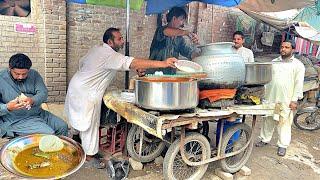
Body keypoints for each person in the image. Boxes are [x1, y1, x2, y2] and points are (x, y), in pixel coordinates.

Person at [65, 27, 177, 168]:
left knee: (78, 118)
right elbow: (130, 62)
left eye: (122, 38)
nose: (122, 41)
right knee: (90, 125)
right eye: (119, 39)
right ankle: (89, 157)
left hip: (76, 86)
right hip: (87, 92)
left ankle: (74, 139)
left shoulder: (97, 48)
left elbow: (82, 62)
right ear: (110, 42)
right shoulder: (108, 54)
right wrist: (164, 63)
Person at [255, 41, 305, 156]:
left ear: (293, 49)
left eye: (287, 47)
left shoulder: (298, 65)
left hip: (286, 99)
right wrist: (263, 95)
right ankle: (264, 139)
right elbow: (268, 80)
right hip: (271, 96)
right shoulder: (274, 62)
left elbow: (299, 84)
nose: (283, 49)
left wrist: (294, 100)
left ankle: (282, 145)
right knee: (268, 119)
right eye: (282, 47)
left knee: (284, 122)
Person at [0, 53, 68, 138]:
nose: (21, 77)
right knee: (48, 134)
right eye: (17, 74)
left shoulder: (34, 75)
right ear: (10, 68)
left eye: (24, 74)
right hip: (15, 119)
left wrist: (32, 100)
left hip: (37, 112)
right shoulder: (1, 78)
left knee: (63, 127)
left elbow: (43, 93)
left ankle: (60, 150)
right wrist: (8, 107)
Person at [146, 6, 199, 75]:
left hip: (170, 75)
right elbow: (167, 32)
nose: (182, 23)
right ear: (174, 18)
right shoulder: (160, 30)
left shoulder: (179, 39)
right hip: (154, 73)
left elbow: (188, 52)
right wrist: (187, 33)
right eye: (181, 19)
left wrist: (199, 53)